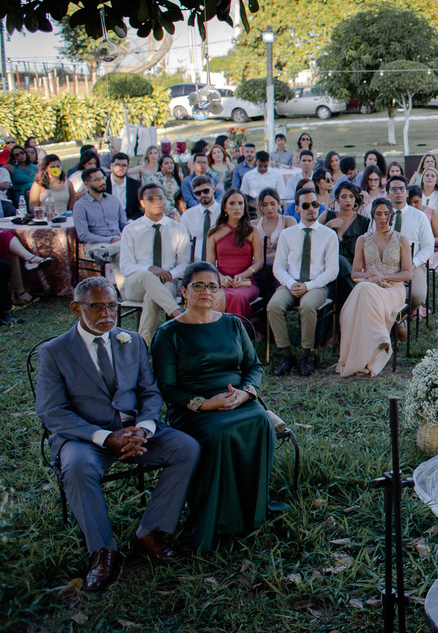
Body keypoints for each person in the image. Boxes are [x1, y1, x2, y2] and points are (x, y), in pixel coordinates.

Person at [35, 277, 200, 591]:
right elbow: (51, 411)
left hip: (135, 431)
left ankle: (148, 532)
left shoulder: (132, 340)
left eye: (112, 305)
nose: (107, 314)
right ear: (76, 309)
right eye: (96, 307)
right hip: (86, 437)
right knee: (78, 467)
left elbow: (149, 392)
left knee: (186, 448)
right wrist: (105, 437)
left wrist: (145, 429)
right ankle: (103, 550)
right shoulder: (55, 351)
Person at [151, 262, 282, 552]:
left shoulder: (233, 324)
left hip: (238, 399)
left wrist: (246, 394)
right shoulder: (168, 333)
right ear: (184, 291)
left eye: (213, 286)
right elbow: (168, 388)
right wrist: (205, 404)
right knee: (221, 432)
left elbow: (253, 367)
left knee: (260, 421)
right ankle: (220, 518)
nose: (206, 292)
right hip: (193, 409)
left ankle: (252, 510)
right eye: (198, 285)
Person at [337, 198, 413, 377]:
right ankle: (378, 340)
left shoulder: (401, 239)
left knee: (363, 292)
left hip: (393, 289)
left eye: (386, 214)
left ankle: (378, 343)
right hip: (370, 287)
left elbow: (408, 273)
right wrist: (369, 276)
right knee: (365, 289)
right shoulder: (363, 240)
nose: (383, 218)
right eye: (378, 214)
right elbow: (355, 273)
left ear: (391, 216)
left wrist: (383, 276)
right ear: (372, 215)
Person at [269, 186, 339, 376]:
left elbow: (332, 270)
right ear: (297, 208)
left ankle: (306, 356)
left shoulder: (329, 235)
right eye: (306, 205)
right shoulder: (287, 234)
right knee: (273, 306)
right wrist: (291, 283)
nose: (311, 209)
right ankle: (287, 355)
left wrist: (308, 285)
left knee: (307, 306)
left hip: (315, 285)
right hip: (290, 284)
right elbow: (278, 267)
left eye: (315, 204)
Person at [119, 184, 190, 345]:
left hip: (166, 282)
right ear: (142, 203)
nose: (157, 202)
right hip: (136, 284)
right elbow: (125, 267)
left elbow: (184, 264)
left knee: (152, 295)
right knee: (148, 276)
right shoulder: (131, 229)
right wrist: (150, 269)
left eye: (160, 197)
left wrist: (170, 274)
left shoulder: (178, 228)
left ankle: (142, 345)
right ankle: (179, 316)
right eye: (151, 199)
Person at [204, 189, 262, 318]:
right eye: (232, 203)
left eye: (240, 203)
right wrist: (220, 278)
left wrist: (242, 276)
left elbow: (259, 262)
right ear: (225, 207)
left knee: (236, 296)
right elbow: (210, 264)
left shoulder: (253, 231)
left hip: (245, 283)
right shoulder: (214, 233)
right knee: (216, 296)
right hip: (221, 282)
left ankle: (237, 329)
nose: (237, 207)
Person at [320, 182, 370, 309]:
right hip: (326, 264)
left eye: (351, 196)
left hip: (352, 266)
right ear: (337, 199)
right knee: (338, 261)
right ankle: (352, 303)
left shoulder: (364, 222)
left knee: (340, 264)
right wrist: (328, 226)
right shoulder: (327, 216)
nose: (348, 200)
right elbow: (313, 239)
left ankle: (329, 314)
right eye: (343, 196)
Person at [389, 180, 434, 314]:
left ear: (407, 192)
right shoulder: (381, 215)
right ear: (388, 193)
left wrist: (413, 263)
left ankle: (402, 315)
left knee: (417, 295)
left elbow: (428, 246)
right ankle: (391, 316)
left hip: (413, 264)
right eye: (394, 189)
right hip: (386, 264)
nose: (398, 192)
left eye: (401, 189)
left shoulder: (419, 216)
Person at [73, 167, 127, 263]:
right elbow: (83, 235)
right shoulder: (80, 205)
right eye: (97, 180)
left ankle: (104, 251)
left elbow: (124, 224)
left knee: (137, 246)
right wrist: (110, 240)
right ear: (86, 183)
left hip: (118, 240)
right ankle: (104, 251)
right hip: (97, 243)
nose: (102, 182)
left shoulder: (113, 200)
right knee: (121, 253)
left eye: (103, 178)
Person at [252, 187, 293, 299]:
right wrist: (259, 245)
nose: (269, 208)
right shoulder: (254, 224)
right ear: (260, 206)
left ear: (278, 202)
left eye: (272, 204)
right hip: (261, 264)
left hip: (281, 263)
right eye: (265, 205)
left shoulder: (287, 221)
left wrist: (282, 244)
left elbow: (296, 243)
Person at [180, 175, 221, 263]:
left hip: (220, 262)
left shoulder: (224, 212)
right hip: (196, 263)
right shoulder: (188, 215)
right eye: (198, 193)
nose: (202, 195)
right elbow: (183, 244)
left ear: (213, 189)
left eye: (206, 191)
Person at [104, 153, 142, 222]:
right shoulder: (103, 184)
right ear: (111, 166)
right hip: (107, 221)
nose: (120, 168)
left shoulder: (135, 185)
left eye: (124, 165)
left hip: (129, 221)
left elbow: (140, 208)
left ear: (128, 167)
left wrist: (130, 221)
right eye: (117, 165)